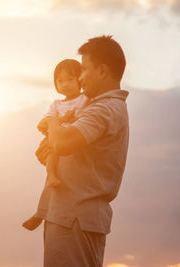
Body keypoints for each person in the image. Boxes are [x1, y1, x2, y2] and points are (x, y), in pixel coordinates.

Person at [35, 35, 130, 267]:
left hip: (73, 218)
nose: (80, 76)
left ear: (102, 71)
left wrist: (53, 119)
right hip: (72, 218)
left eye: (84, 69)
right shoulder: (101, 108)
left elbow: (64, 143)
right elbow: (63, 145)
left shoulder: (103, 109)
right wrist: (50, 149)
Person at [22, 59, 88, 231]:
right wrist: (62, 119)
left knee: (58, 183)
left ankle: (40, 213)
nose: (65, 84)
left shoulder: (85, 99)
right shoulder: (57, 104)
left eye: (70, 79)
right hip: (56, 140)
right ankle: (49, 179)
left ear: (80, 80)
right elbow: (43, 123)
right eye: (60, 81)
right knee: (52, 166)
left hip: (71, 140)